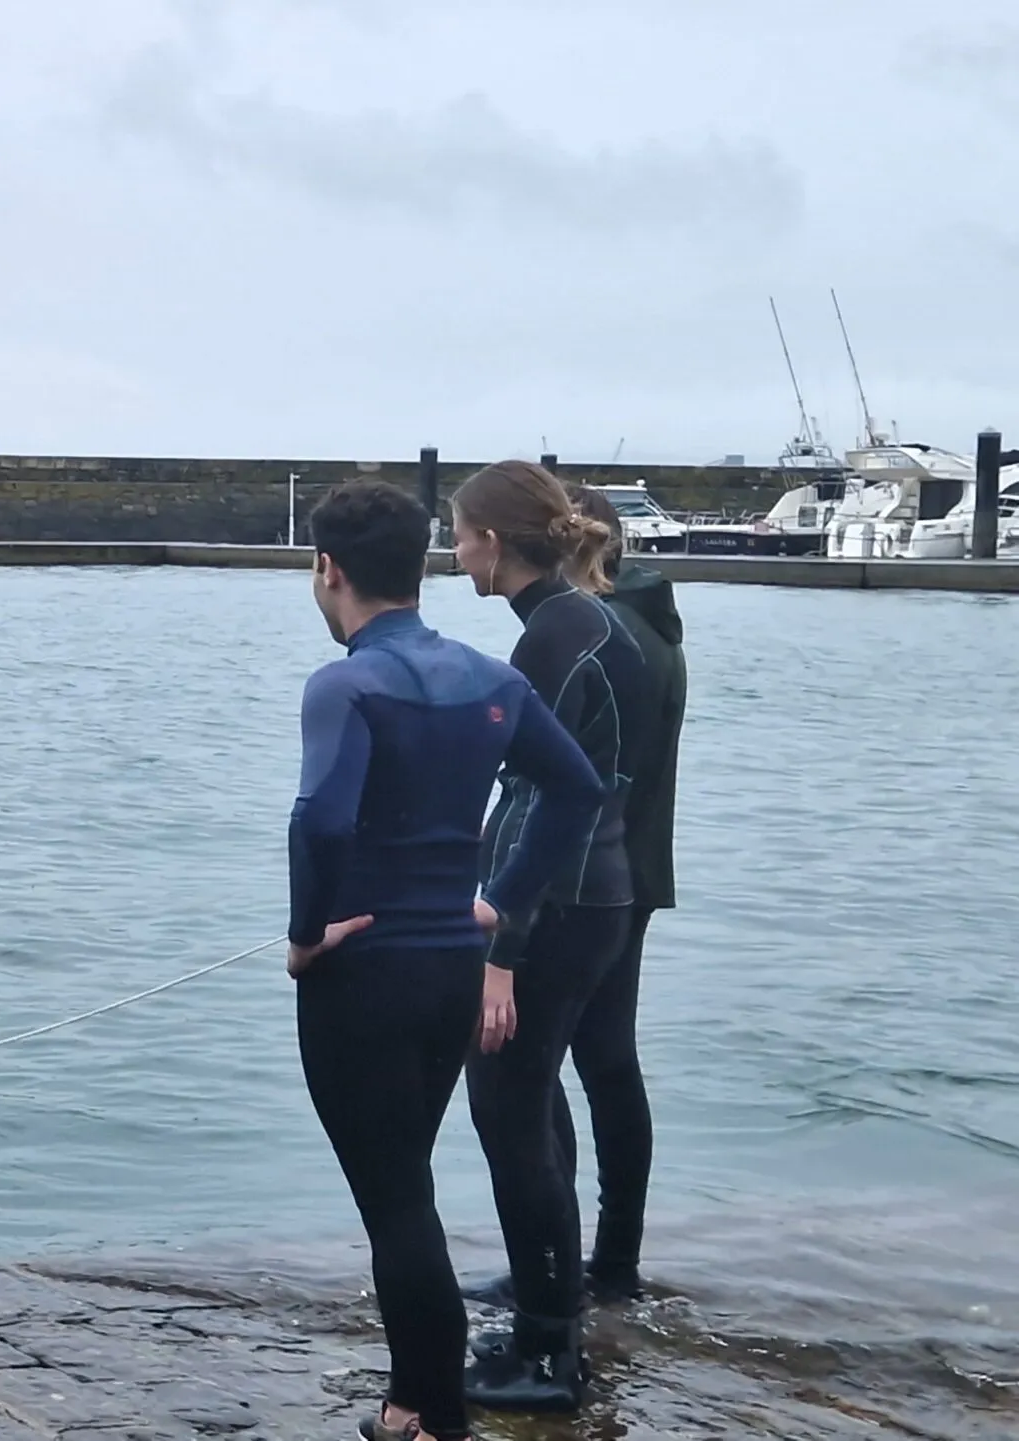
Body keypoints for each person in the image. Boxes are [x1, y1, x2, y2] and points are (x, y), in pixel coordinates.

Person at [289, 480, 606, 1441]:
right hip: (451, 969)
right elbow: (578, 790)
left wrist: (307, 936)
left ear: (328, 571)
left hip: (363, 973)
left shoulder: (344, 683)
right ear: (420, 566)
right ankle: (410, 1399)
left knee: (396, 1204)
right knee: (407, 1188)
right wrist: (499, 900)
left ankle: (428, 1414)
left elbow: (321, 817)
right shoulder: (490, 679)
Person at [448, 461, 652, 1413]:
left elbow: (545, 799)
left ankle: (547, 1355)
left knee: (507, 1109)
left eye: (459, 535)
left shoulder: (556, 639)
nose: (455, 555)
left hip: (561, 904)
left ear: (493, 540)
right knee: (534, 1103)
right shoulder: (587, 623)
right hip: (595, 896)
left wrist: (501, 952)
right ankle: (553, 1299)